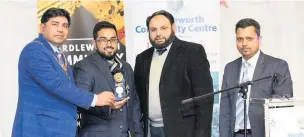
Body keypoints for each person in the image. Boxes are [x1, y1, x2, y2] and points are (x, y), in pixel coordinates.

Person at [12, 8, 115, 137]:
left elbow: (69, 91)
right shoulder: (34, 50)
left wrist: (108, 102)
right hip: (39, 129)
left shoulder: (59, 55)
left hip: (58, 129)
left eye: (65, 25)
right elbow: (58, 86)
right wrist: (95, 99)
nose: (60, 29)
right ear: (42, 28)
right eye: (55, 24)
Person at [134, 10, 214, 137]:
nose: (158, 33)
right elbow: (138, 98)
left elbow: (205, 99)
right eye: (153, 30)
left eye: (163, 28)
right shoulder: (142, 58)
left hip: (183, 131)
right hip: (150, 130)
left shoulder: (193, 51)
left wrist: (202, 134)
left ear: (174, 28)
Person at [219, 18, 293, 137]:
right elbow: (225, 109)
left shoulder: (277, 66)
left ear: (259, 39)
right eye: (240, 39)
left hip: (263, 133)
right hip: (236, 134)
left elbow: (282, 106)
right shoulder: (230, 68)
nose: (244, 44)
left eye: (249, 39)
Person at [73, 21, 143, 137]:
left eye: (113, 39)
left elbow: (134, 104)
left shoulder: (126, 67)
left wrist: (138, 133)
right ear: (95, 43)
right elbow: (80, 102)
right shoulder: (84, 66)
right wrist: (107, 107)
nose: (109, 44)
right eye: (103, 40)